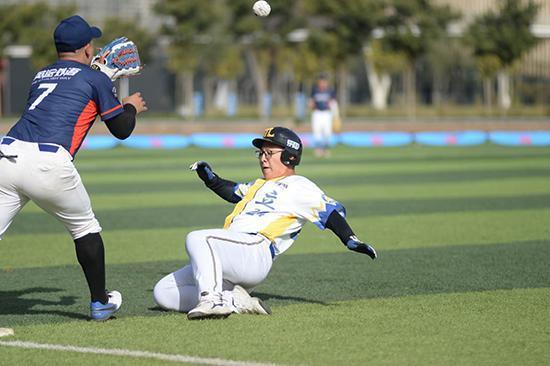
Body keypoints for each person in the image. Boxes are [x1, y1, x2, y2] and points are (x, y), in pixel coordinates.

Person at [0, 15, 147, 321]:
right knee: (85, 229)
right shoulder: (95, 79)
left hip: (7, 155)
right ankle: (100, 302)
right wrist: (130, 104)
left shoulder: (41, 74)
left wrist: (102, 81)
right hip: (47, 163)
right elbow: (121, 129)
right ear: (86, 48)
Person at [153, 126, 377, 320]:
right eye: (261, 153)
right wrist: (210, 179)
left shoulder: (299, 185)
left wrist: (350, 239)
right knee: (163, 292)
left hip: (255, 251)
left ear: (289, 156)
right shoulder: (258, 184)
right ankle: (233, 299)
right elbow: (232, 191)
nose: (263, 158)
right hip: (231, 253)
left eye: (270, 152)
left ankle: (213, 300)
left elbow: (329, 214)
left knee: (198, 237)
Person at [309, 75, 337, 158]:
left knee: (327, 132)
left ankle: (326, 150)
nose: (322, 84)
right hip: (317, 113)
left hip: (326, 113)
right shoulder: (315, 90)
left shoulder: (330, 91)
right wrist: (311, 105)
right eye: (320, 82)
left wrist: (335, 114)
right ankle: (318, 150)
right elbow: (311, 102)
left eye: (324, 82)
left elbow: (333, 102)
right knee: (317, 132)